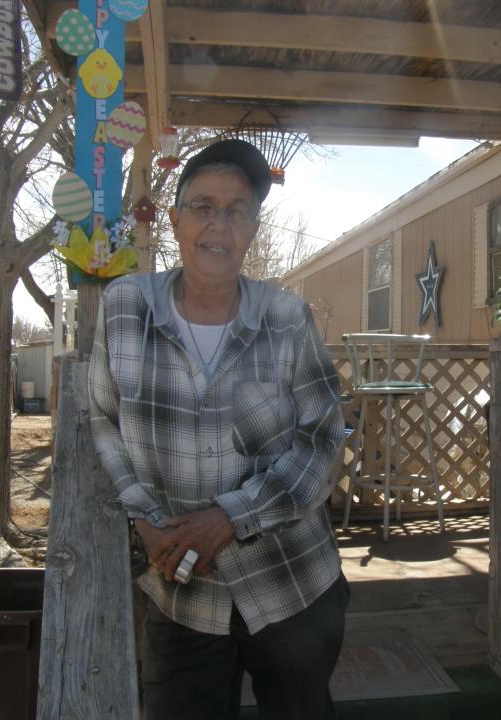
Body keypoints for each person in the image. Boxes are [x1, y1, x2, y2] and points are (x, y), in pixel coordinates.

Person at [89, 138, 349, 719]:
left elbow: (325, 440)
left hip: (291, 585)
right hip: (182, 590)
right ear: (176, 219)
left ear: (252, 230)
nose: (219, 224)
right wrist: (142, 519)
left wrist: (233, 516)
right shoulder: (125, 307)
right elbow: (102, 422)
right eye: (204, 206)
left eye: (237, 211)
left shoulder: (286, 317)